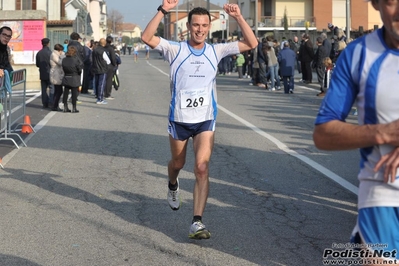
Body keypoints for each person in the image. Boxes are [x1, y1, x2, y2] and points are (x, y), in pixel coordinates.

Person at [141, 0, 257, 240]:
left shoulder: (216, 50)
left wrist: (239, 18)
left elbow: (251, 43)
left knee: (202, 167)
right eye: (196, 25)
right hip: (179, 120)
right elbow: (146, 37)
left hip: (205, 120)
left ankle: (197, 222)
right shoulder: (176, 49)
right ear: (189, 26)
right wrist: (163, 11)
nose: (200, 29)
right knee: (177, 163)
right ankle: (172, 184)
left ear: (209, 27)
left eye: (204, 25)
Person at [314, 1, 399, 264]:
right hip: (384, 194)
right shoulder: (359, 54)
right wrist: (384, 133)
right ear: (376, 4)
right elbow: (324, 133)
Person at [61, 46, 83, 113]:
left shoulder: (64, 59)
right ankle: (74, 108)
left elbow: (63, 68)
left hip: (67, 76)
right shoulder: (75, 60)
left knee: (66, 92)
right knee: (74, 93)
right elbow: (79, 69)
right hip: (74, 77)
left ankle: (65, 107)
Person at [36, 38, 54, 108]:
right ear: (48, 43)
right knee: (52, 88)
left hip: (42, 73)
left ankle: (45, 103)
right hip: (50, 73)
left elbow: (37, 64)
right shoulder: (50, 53)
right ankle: (51, 102)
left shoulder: (39, 53)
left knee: (43, 89)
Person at [91, 38, 108, 105]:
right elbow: (108, 60)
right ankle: (100, 99)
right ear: (104, 43)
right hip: (102, 69)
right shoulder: (103, 51)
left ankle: (97, 96)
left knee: (97, 83)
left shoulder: (94, 50)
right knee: (101, 84)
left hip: (95, 68)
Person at [49, 43, 65, 111]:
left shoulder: (57, 54)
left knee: (58, 91)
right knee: (59, 91)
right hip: (55, 74)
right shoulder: (54, 55)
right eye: (61, 51)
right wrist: (63, 57)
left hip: (58, 73)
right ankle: (54, 106)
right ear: (59, 50)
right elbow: (60, 62)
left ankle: (55, 105)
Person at [104, 36, 116, 100]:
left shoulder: (103, 47)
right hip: (109, 66)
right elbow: (113, 58)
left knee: (103, 79)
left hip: (103, 65)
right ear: (111, 41)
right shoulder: (111, 49)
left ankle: (101, 92)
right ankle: (107, 94)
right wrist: (114, 65)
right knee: (109, 80)